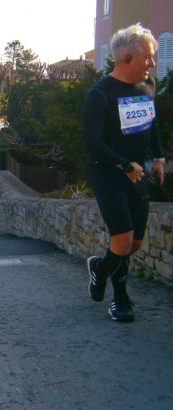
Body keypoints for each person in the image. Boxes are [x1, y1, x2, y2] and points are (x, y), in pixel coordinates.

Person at [84, 23, 165, 322]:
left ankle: (100, 267)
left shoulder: (148, 87)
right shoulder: (100, 94)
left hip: (137, 173)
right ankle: (120, 298)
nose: (153, 64)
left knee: (136, 244)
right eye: (148, 58)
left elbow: (151, 122)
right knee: (123, 240)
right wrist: (123, 165)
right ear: (126, 58)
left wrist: (158, 157)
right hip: (108, 174)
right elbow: (92, 143)